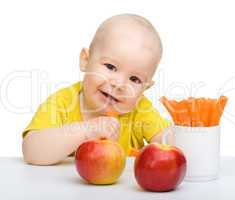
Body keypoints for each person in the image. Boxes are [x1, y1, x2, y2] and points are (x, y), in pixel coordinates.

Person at [22, 14, 173, 165]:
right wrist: (87, 130)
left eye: (134, 79)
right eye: (110, 67)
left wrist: (186, 132)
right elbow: (32, 152)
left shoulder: (140, 111)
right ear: (85, 61)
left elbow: (171, 144)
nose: (119, 84)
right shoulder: (63, 102)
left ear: (144, 89)